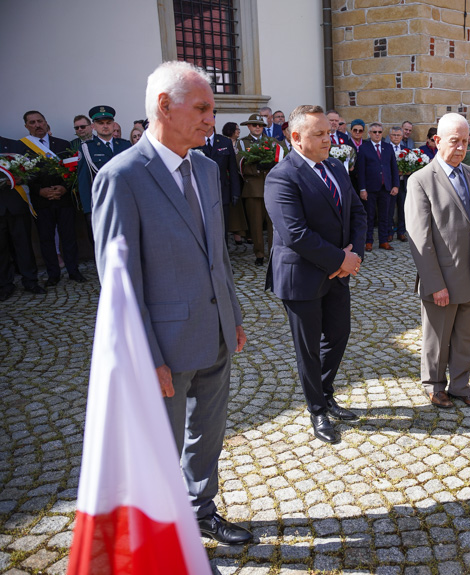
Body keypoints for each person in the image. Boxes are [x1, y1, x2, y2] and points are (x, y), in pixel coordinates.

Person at [91, 60, 251, 545]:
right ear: (165, 105)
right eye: (202, 108)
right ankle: (162, 536)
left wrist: (234, 316)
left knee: (207, 433)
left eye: (213, 109)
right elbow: (119, 285)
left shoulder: (204, 166)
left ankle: (202, 511)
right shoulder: (122, 177)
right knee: (160, 445)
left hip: (215, 330)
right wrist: (148, 357)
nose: (210, 119)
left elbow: (217, 253)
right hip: (164, 345)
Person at [264, 104, 366, 444]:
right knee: (307, 347)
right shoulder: (282, 175)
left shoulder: (336, 166)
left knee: (338, 333)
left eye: (329, 132)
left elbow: (357, 212)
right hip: (301, 277)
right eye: (319, 134)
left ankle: (325, 392)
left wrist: (354, 255)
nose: (329, 139)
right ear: (296, 137)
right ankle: (317, 410)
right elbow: (295, 234)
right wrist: (340, 258)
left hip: (338, 272)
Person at [405, 113, 470, 410]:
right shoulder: (420, 181)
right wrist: (435, 284)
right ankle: (434, 385)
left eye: (465, 141)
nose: (460, 147)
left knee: (464, 338)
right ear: (437, 141)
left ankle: (460, 384)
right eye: (454, 141)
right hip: (442, 280)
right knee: (437, 338)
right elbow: (420, 239)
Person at [20, 110, 86, 285]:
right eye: (32, 122)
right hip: (41, 201)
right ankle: (53, 274)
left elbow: (73, 170)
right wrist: (39, 191)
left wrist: (64, 188)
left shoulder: (63, 144)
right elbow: (22, 176)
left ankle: (73, 271)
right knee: (46, 239)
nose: (37, 125)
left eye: (40, 121)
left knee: (69, 237)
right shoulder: (23, 147)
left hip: (63, 199)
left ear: (46, 122)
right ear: (26, 126)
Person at [77, 106, 133, 243]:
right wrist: (88, 210)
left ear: (114, 125)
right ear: (93, 126)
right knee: (104, 241)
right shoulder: (87, 148)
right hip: (101, 203)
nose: (105, 126)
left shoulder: (125, 145)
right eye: (101, 123)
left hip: (125, 201)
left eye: (108, 123)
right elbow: (84, 180)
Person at [0, 135, 44, 298]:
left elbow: (32, 171)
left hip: (17, 205)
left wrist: (21, 177)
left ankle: (30, 281)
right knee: (1, 249)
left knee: (24, 245)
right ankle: (5, 285)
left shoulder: (13, 145)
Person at [238, 113, 283, 266]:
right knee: (256, 224)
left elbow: (281, 158)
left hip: (271, 188)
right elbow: (240, 164)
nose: (258, 127)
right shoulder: (242, 143)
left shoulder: (272, 142)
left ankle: (273, 252)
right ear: (249, 127)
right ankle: (259, 254)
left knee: (273, 224)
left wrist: (271, 166)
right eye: (254, 125)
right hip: (253, 189)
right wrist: (257, 168)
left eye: (260, 125)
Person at [195, 116, 241, 235]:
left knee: (223, 227)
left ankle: (223, 252)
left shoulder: (225, 142)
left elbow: (232, 169)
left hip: (222, 191)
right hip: (202, 192)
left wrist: (235, 192)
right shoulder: (194, 142)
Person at [357, 122, 399, 251]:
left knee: (385, 216)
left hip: (385, 187)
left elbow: (393, 168)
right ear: (369, 133)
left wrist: (395, 185)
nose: (377, 134)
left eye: (379, 132)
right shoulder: (364, 148)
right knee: (369, 216)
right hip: (370, 188)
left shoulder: (388, 147)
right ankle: (368, 241)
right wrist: (362, 188)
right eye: (374, 132)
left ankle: (383, 240)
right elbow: (361, 170)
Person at [386, 125, 409, 242]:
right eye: (394, 135)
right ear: (390, 136)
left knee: (403, 208)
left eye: (398, 135)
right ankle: (389, 232)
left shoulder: (406, 150)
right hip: (390, 184)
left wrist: (406, 170)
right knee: (389, 209)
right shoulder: (385, 149)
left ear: (402, 136)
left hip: (402, 183)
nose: (396, 137)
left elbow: (411, 167)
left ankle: (401, 232)